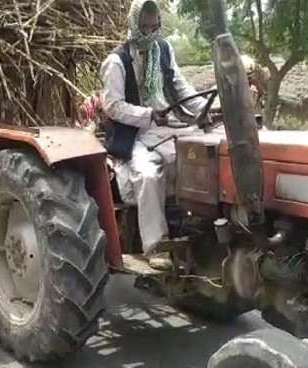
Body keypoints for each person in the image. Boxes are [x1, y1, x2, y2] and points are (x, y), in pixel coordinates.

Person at [100, 0, 209, 270]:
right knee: (149, 175)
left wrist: (207, 108)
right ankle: (156, 246)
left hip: (170, 124)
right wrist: (147, 114)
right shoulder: (117, 61)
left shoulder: (163, 49)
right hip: (137, 132)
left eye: (154, 26)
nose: (150, 32)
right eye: (144, 27)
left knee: (205, 158)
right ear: (134, 24)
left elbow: (180, 86)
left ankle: (201, 236)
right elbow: (113, 106)